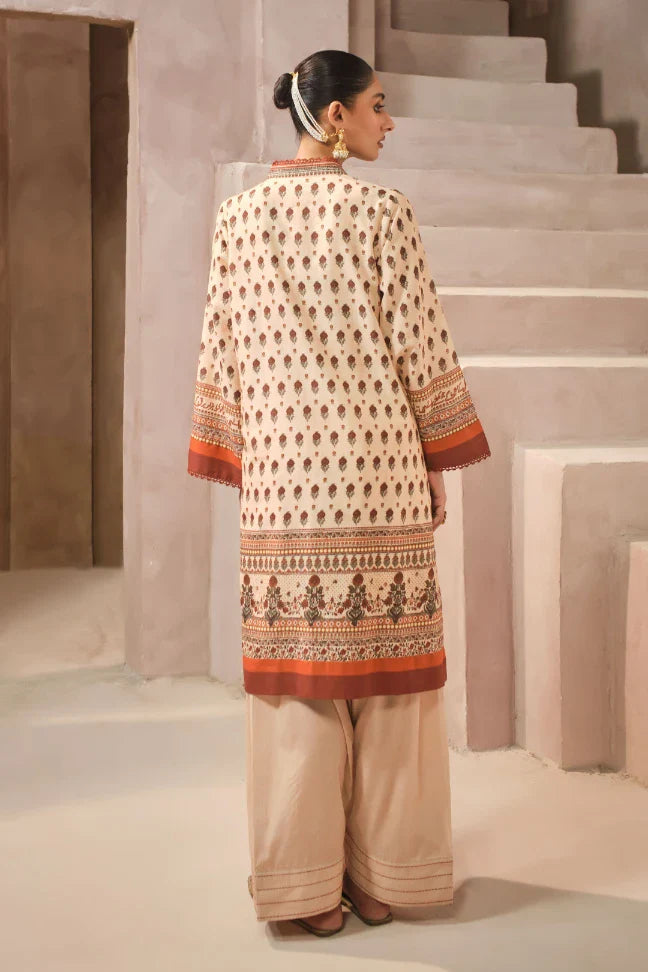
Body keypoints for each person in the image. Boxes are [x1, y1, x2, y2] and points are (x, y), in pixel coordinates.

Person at [187, 49, 491, 936]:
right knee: (393, 693)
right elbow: (420, 349)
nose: (387, 123)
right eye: (378, 107)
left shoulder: (237, 220)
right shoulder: (384, 213)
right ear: (334, 120)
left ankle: (306, 893)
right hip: (381, 478)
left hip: (285, 494)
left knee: (297, 696)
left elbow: (222, 353)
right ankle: (385, 877)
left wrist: (246, 459)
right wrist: (436, 456)